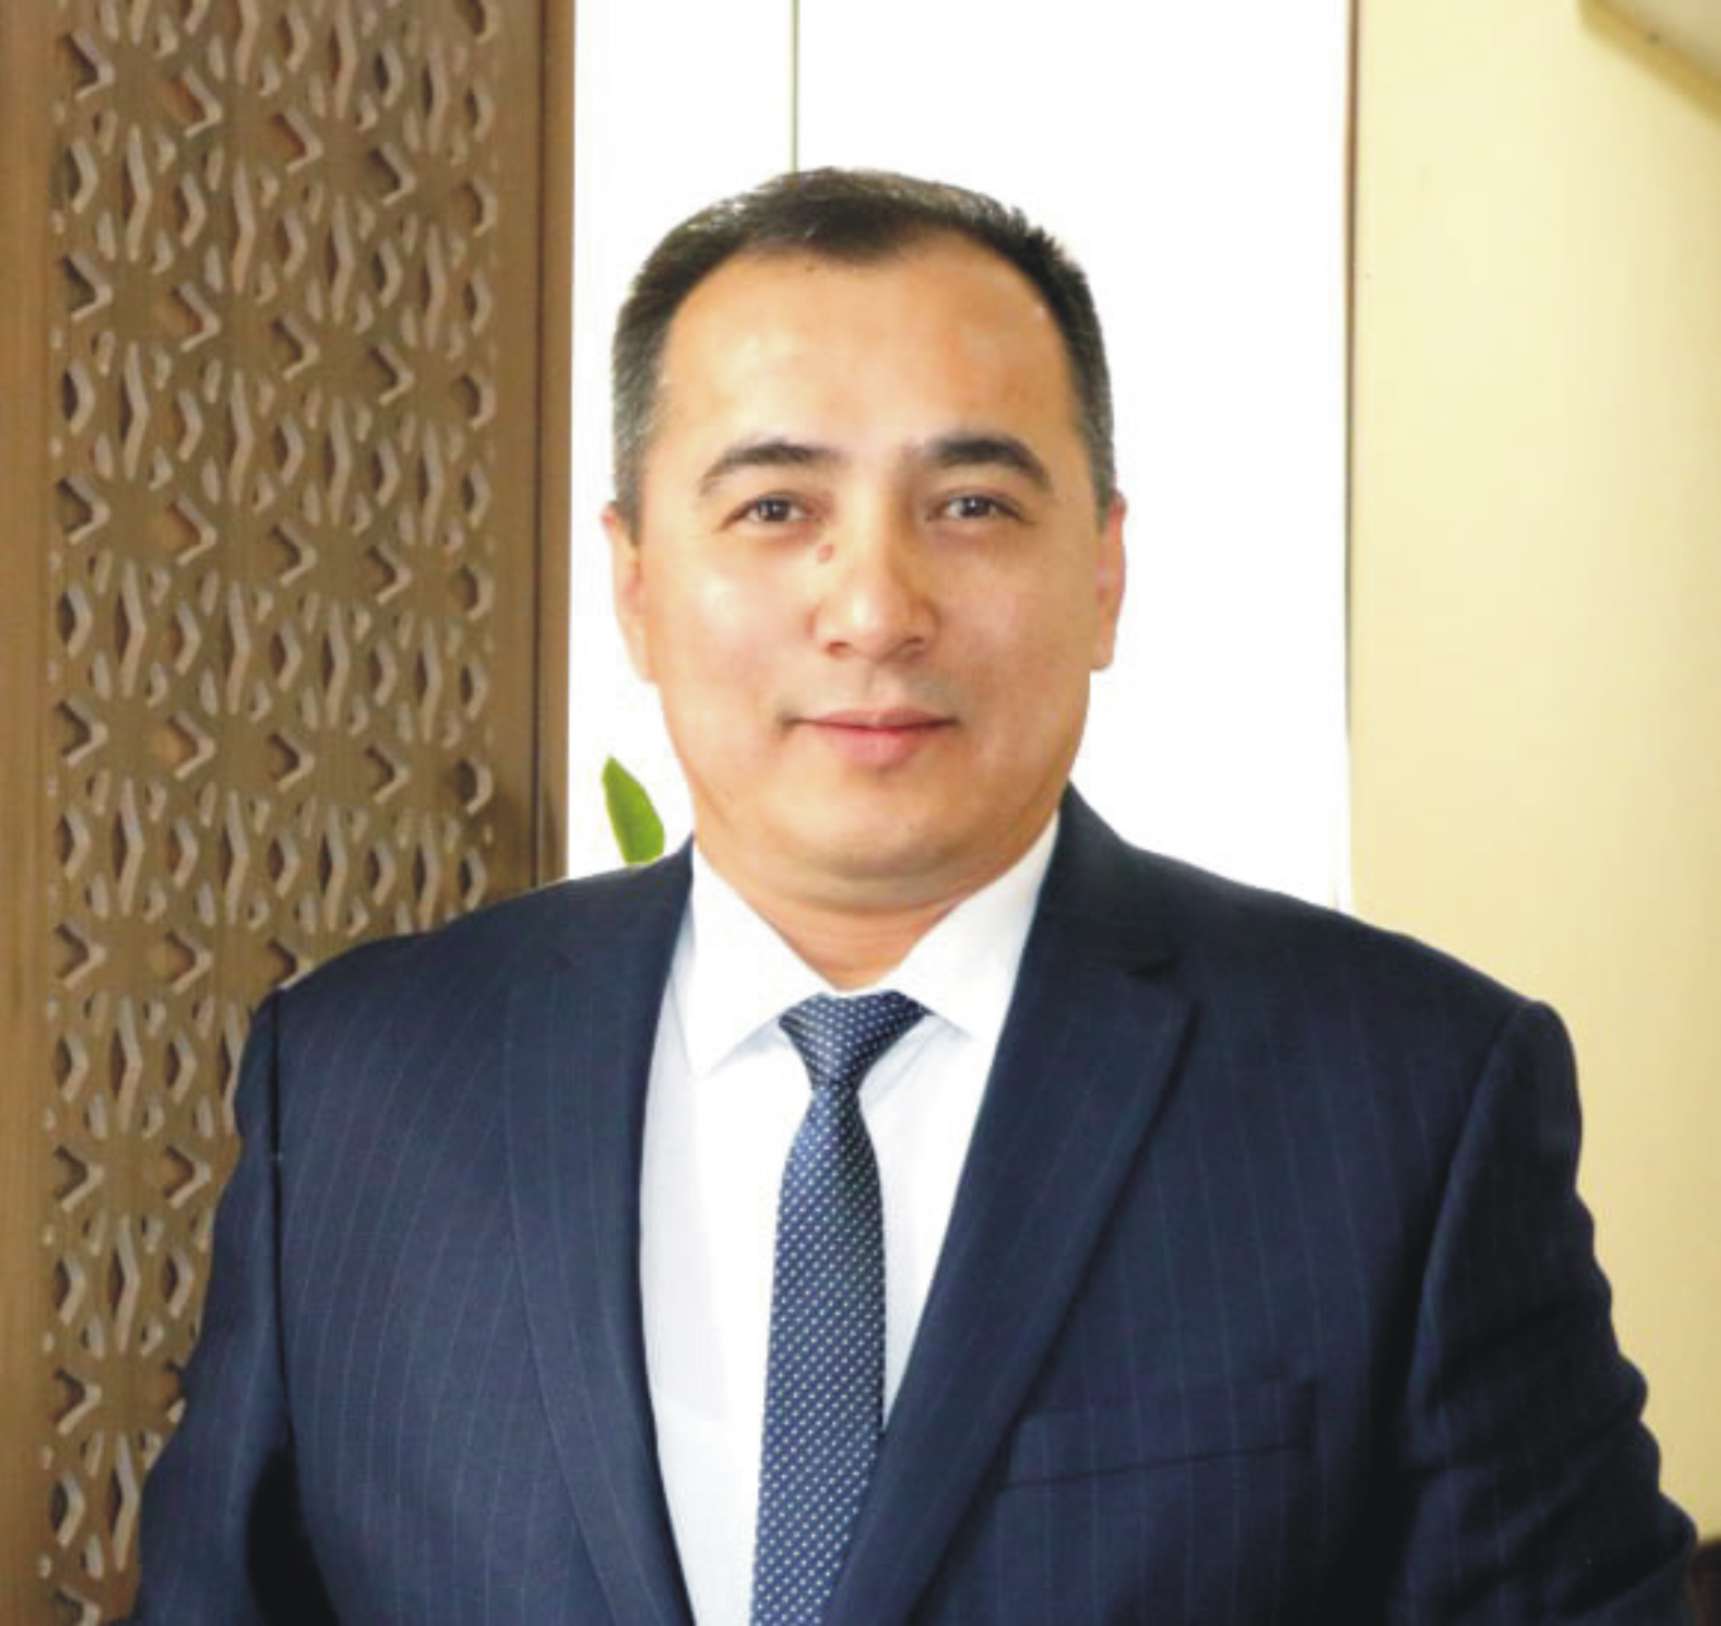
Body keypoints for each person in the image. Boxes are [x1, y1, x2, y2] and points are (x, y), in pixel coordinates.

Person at [125, 168, 1694, 1625]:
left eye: (971, 506)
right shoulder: (361, 1085)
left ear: (1104, 573)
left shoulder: (1405, 1098)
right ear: (635, 580)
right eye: (773, 507)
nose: (874, 607)